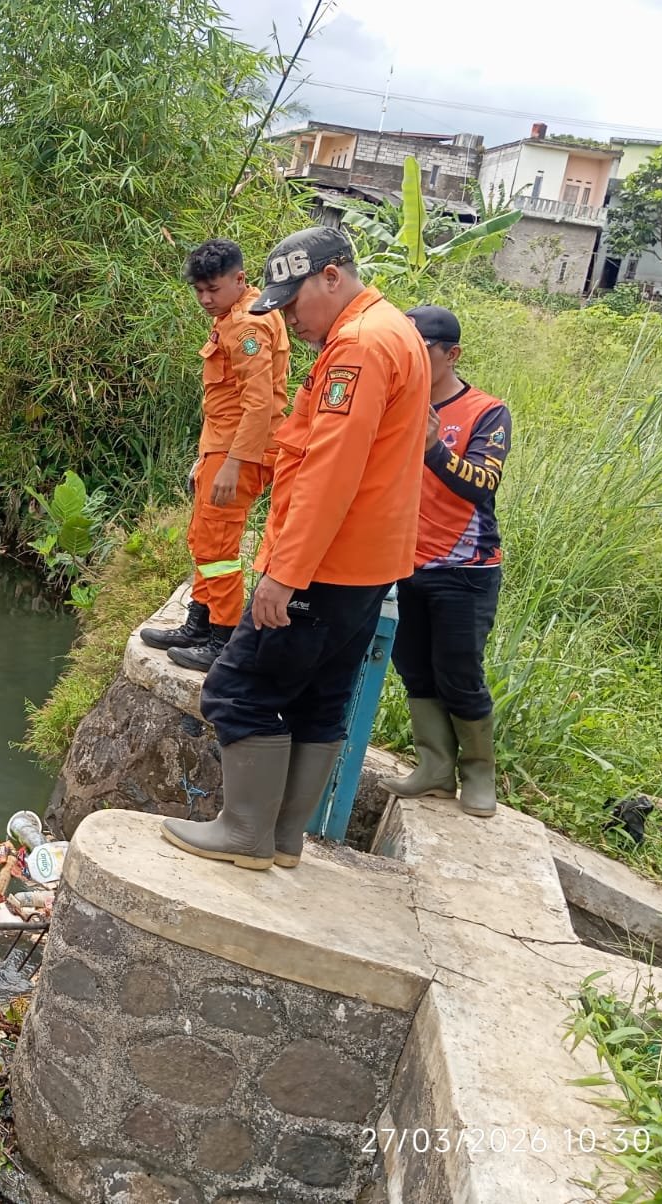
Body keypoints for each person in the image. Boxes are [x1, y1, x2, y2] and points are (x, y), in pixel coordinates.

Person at [161, 227, 429, 871]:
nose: (287, 316)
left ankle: (245, 834)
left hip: (323, 564)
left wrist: (284, 573)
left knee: (238, 689)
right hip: (367, 563)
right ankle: (282, 840)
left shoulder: (359, 349)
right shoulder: (393, 331)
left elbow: (330, 471)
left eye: (293, 300)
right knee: (320, 697)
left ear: (331, 276)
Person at [380, 305, 511, 818]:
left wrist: (436, 448)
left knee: (458, 670)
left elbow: (483, 482)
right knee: (412, 666)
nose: (411, 361)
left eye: (422, 352)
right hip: (401, 561)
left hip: (466, 569)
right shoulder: (396, 404)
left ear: (451, 354)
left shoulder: (486, 411)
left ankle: (479, 773)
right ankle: (434, 767)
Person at [140, 239, 290, 671]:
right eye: (199, 290)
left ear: (239, 279)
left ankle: (221, 639)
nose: (205, 299)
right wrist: (207, 456)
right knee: (204, 540)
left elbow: (259, 405)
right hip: (222, 448)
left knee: (219, 546)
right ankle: (200, 622)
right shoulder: (232, 316)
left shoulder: (246, 326)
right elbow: (227, 401)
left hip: (238, 454)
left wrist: (233, 463)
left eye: (213, 289)